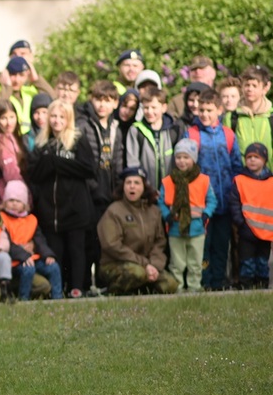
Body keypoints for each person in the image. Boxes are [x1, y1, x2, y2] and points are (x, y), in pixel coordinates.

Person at [27, 100, 96, 297]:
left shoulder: (77, 140)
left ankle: (77, 287)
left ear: (68, 119)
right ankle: (58, 288)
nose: (57, 121)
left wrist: (57, 163)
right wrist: (49, 163)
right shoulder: (41, 143)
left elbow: (88, 169)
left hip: (76, 208)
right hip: (51, 210)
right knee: (56, 251)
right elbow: (34, 173)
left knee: (77, 250)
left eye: (61, 117)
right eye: (54, 116)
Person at [185, 88, 243, 290]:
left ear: (219, 110)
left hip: (225, 201)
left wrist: (236, 196)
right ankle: (204, 281)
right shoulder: (192, 134)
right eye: (201, 109)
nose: (204, 114)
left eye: (209, 110)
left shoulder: (228, 134)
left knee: (221, 245)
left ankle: (219, 281)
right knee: (203, 246)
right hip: (202, 204)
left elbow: (236, 166)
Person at [97, 167, 179, 295]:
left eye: (136, 183)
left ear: (144, 187)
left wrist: (155, 266)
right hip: (115, 264)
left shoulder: (154, 211)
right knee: (137, 274)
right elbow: (112, 245)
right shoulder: (114, 211)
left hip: (147, 265)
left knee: (170, 285)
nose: (132, 187)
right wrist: (144, 264)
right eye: (128, 183)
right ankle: (112, 292)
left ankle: (139, 290)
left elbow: (160, 242)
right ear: (123, 187)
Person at [77, 79, 122, 291]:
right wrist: (93, 187)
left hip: (110, 194)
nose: (102, 105)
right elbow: (83, 163)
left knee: (106, 241)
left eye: (108, 100)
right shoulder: (84, 126)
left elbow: (118, 161)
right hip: (89, 194)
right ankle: (86, 284)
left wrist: (118, 189)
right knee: (89, 242)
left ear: (115, 103)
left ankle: (105, 283)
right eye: (98, 99)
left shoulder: (115, 128)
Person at [158, 139, 216, 293]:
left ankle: (194, 287)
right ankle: (177, 288)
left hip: (197, 228)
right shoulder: (168, 181)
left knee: (195, 261)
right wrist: (167, 215)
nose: (182, 161)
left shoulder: (203, 180)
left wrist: (205, 215)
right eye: (178, 157)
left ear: (193, 159)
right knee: (177, 262)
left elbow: (211, 200)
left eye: (186, 157)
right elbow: (161, 202)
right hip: (175, 228)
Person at [0, 180, 63, 300]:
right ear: (5, 202)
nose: (14, 204)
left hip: (32, 257)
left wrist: (47, 254)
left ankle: (57, 298)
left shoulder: (31, 220)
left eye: (18, 201)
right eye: (10, 200)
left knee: (53, 267)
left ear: (25, 204)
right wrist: (23, 255)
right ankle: (24, 299)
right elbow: (6, 243)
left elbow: (40, 240)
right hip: (14, 259)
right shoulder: (2, 219)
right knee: (28, 269)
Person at [229, 143, 273, 288]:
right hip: (246, 230)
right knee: (247, 261)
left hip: (266, 231)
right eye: (249, 157)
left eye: (256, 157)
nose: (252, 160)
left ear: (265, 160)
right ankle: (246, 287)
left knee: (262, 261)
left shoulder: (271, 181)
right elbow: (234, 203)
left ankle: (262, 285)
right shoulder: (240, 180)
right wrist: (240, 222)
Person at [124, 86, 182, 193]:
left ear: (164, 108)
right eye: (146, 108)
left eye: (154, 107)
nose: (149, 112)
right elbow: (133, 164)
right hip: (146, 191)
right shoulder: (136, 130)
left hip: (171, 191)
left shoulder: (174, 130)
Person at [226, 65, 272, 172]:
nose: (250, 89)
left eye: (254, 85)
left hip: (268, 178)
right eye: (247, 85)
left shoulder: (271, 117)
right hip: (240, 177)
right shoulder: (232, 117)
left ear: (265, 88)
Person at [0, 55, 56, 136]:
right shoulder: (3, 94)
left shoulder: (30, 91)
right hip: (12, 138)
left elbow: (53, 97)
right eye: (13, 75)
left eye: (21, 75)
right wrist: (7, 87)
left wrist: (36, 79)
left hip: (31, 138)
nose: (17, 80)